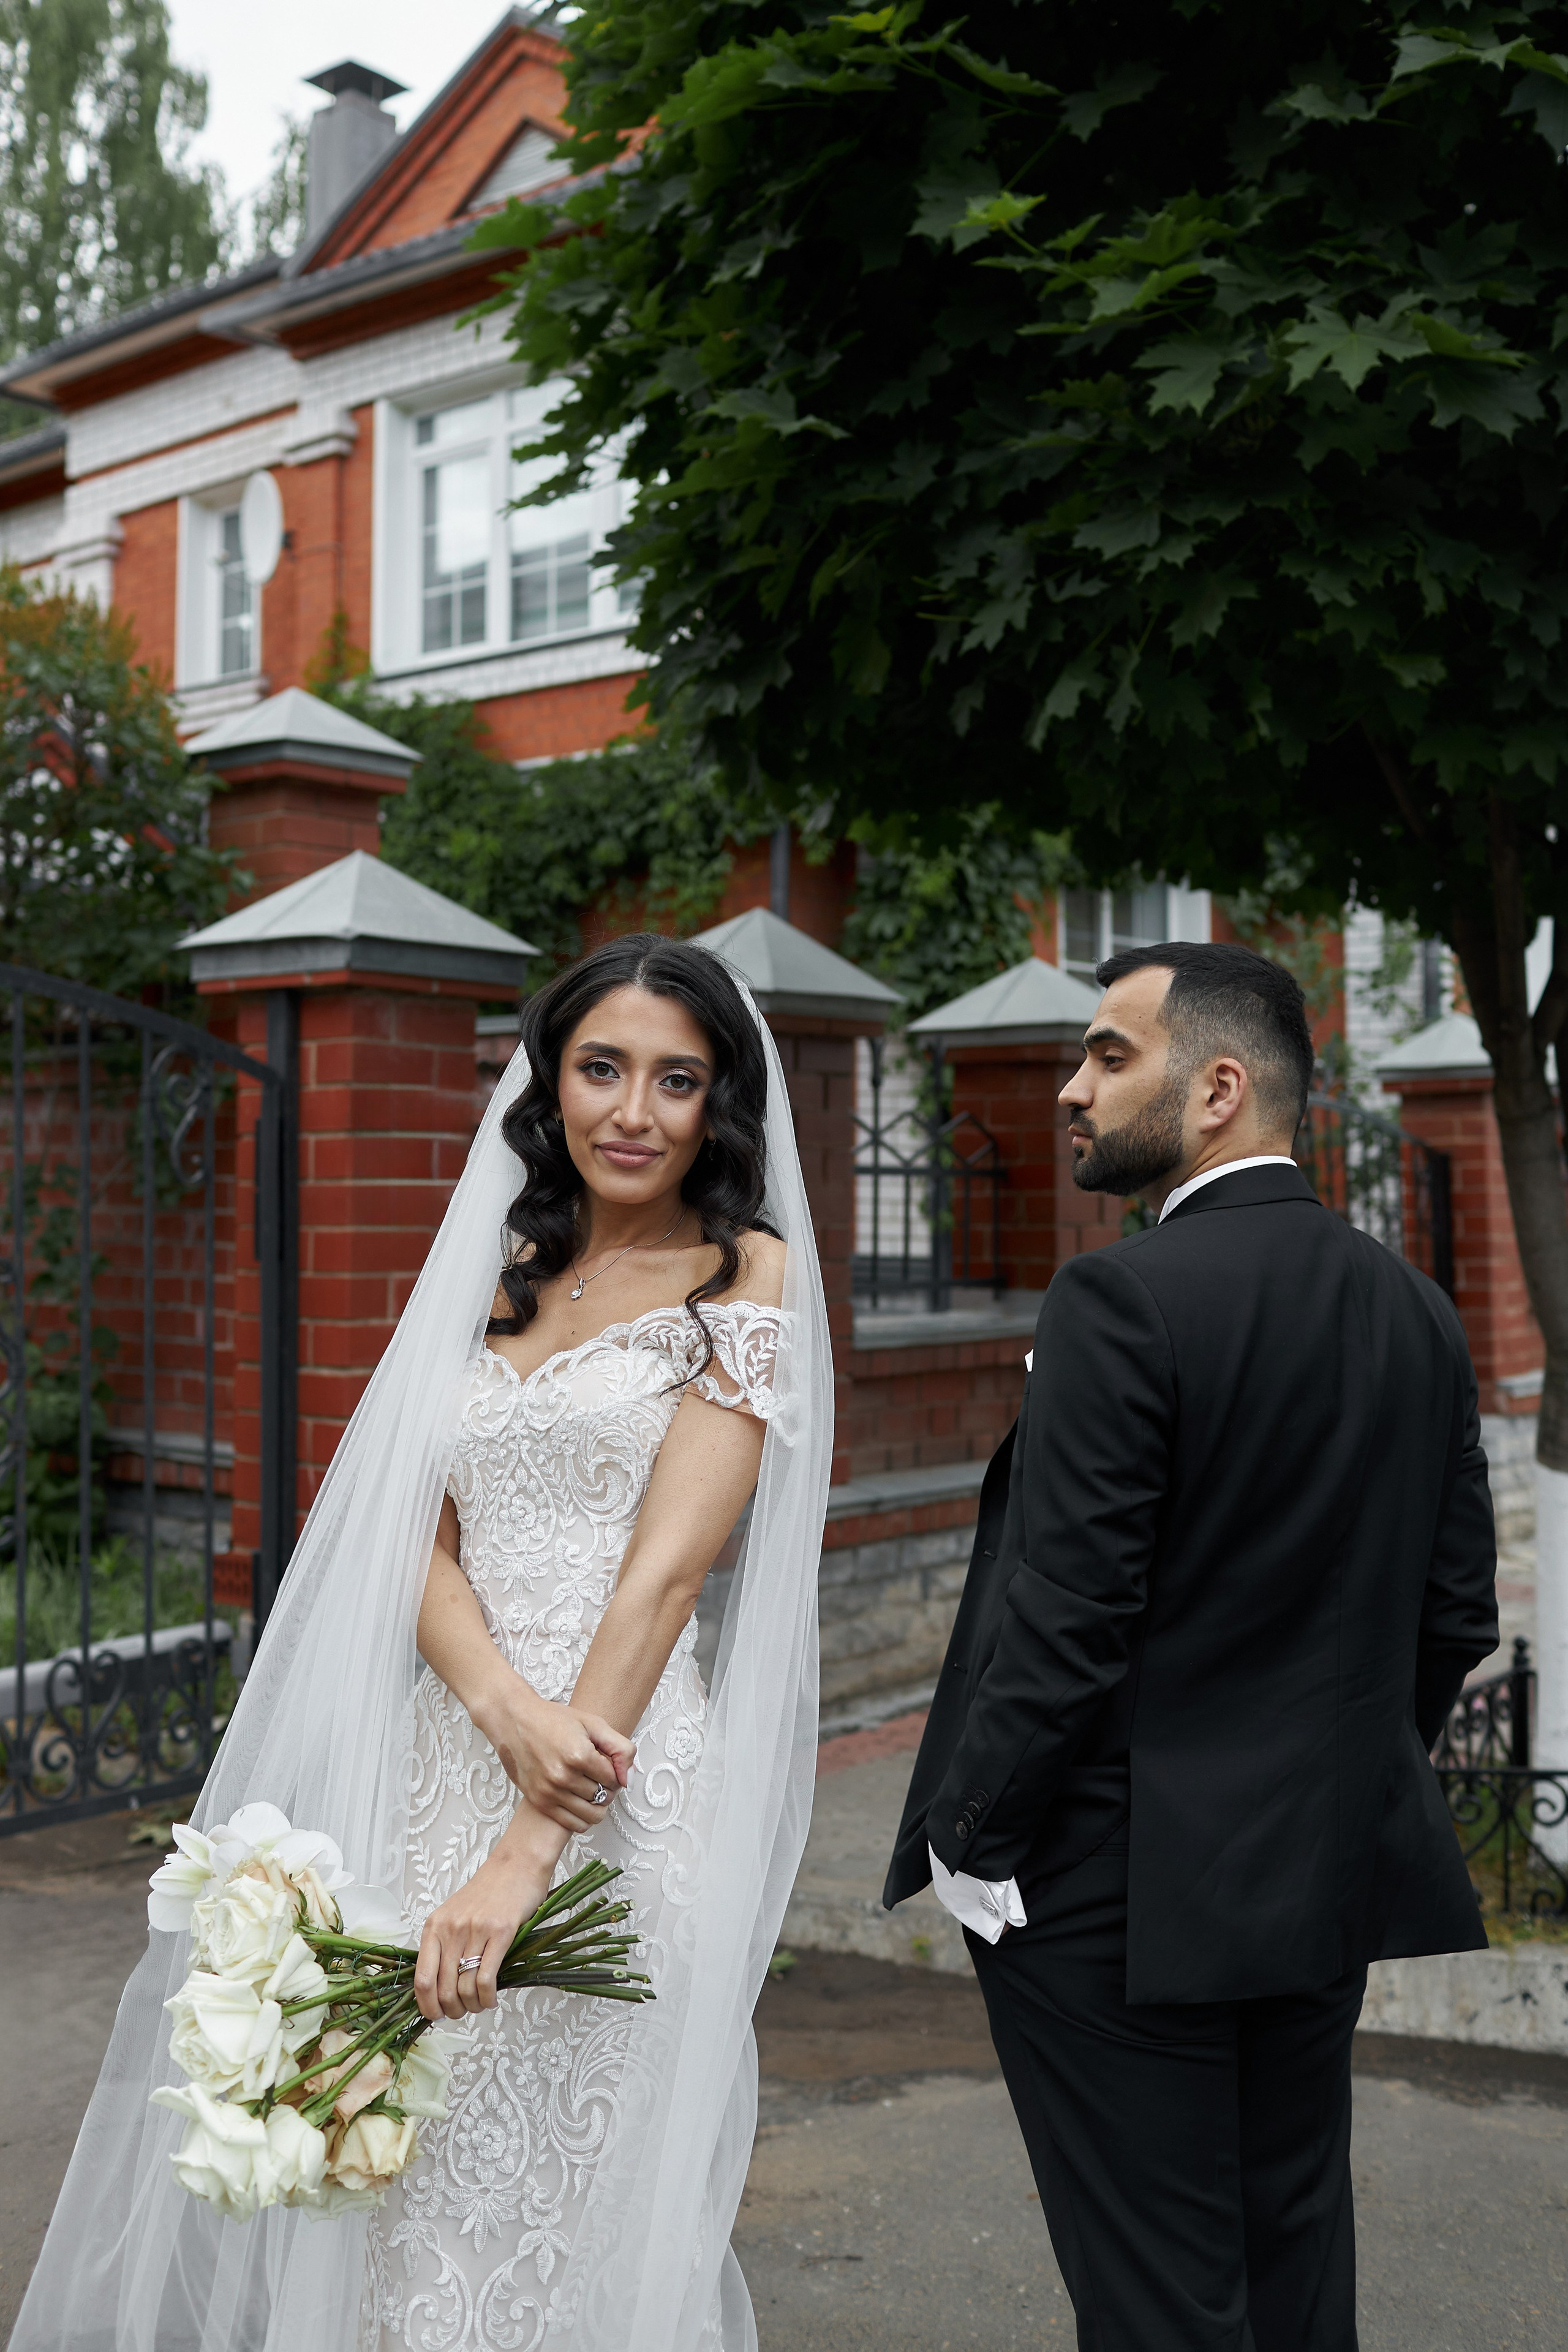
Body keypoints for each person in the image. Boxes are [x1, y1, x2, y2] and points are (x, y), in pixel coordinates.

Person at [13, 934, 831, 2352]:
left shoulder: (741, 1273)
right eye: (601, 1069)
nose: (633, 1111)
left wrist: (529, 1840)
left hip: (620, 1784)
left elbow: (660, 1577)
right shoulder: (508, 1259)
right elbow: (406, 1527)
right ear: (549, 1082)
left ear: (719, 1107)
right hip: (448, 1761)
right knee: (406, 2189)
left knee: (571, 2205)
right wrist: (499, 1705)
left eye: (676, 1080)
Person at [885, 940, 1498, 2352]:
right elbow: (1453, 1610)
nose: (1066, 1090)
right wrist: (1324, 1771)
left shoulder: (1121, 1297)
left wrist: (968, 1840)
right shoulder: (1411, 1305)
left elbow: (1068, 1616)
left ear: (1217, 1089)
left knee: (1159, 2301)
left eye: (1107, 1056)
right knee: (1289, 2273)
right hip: (1313, 1873)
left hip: (1112, 1895)